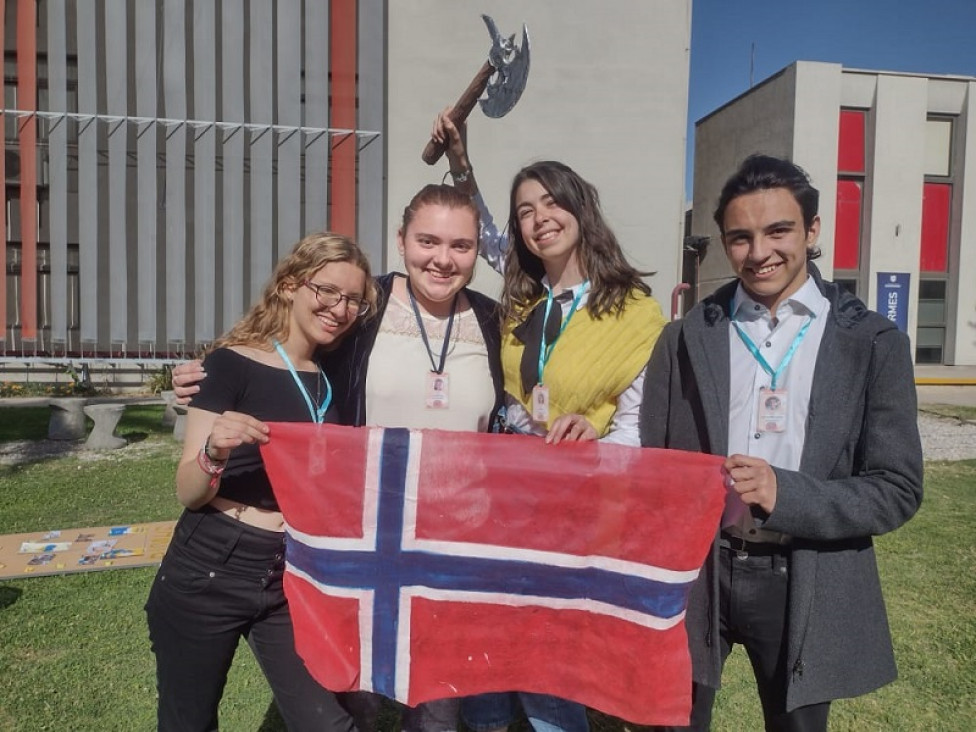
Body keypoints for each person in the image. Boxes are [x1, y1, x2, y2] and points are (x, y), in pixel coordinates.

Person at [172, 183, 505, 732]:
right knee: (357, 693)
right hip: (364, 536)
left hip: (452, 540)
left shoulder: (493, 321)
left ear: (476, 251)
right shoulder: (362, 306)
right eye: (427, 240)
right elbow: (284, 338)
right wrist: (205, 380)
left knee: (438, 700)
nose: (442, 259)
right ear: (401, 242)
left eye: (461, 245)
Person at [639, 154, 923, 731]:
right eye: (740, 237)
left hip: (802, 572)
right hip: (700, 571)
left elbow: (896, 488)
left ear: (812, 230)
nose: (759, 251)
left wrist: (783, 492)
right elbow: (651, 460)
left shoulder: (871, 342)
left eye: (778, 231)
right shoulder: (686, 337)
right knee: (672, 721)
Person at [433, 125, 667, 727]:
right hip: (503, 498)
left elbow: (638, 420)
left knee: (548, 649)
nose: (540, 218)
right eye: (526, 211)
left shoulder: (635, 311)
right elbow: (484, 236)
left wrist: (599, 439)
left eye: (553, 202)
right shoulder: (523, 305)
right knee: (489, 636)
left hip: (575, 504)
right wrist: (461, 163)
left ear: (581, 208)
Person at [145, 233, 378, 731]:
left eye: (353, 299)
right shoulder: (231, 363)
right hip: (211, 565)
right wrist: (213, 451)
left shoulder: (331, 371)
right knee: (188, 722)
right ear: (292, 285)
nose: (340, 308)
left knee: (328, 723)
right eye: (327, 291)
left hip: (290, 571)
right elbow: (188, 490)